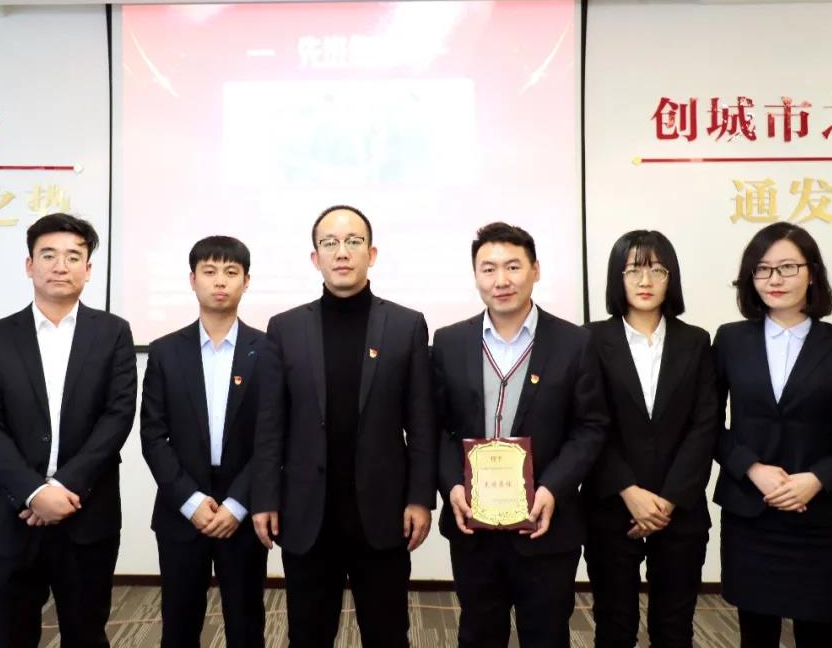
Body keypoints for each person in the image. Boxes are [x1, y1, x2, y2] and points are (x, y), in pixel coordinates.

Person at [251, 205, 435, 647]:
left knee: (387, 634)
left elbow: (422, 422)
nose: (342, 252)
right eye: (330, 243)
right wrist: (265, 498)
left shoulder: (406, 325)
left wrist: (419, 497)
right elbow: (271, 424)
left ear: (372, 253)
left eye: (353, 241)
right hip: (307, 513)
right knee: (308, 635)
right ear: (315, 258)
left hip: (383, 512)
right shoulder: (285, 327)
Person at [433, 221, 608, 648]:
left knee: (546, 636)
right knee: (478, 635)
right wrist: (452, 485)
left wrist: (553, 488)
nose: (501, 280)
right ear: (476, 276)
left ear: (535, 270)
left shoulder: (574, 343)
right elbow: (436, 427)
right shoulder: (449, 341)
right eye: (488, 269)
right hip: (473, 527)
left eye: (513, 266)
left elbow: (590, 427)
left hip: (545, 524)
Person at [0, 213, 137, 648]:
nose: (61, 266)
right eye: (48, 255)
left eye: (73, 256)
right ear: (30, 265)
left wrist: (63, 486)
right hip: (10, 516)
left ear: (88, 269)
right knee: (10, 635)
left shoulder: (113, 333)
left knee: (86, 633)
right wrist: (32, 491)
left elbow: (117, 416)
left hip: (87, 513)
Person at [714, 221, 832, 648]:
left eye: (788, 267)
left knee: (817, 635)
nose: (774, 279)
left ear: (812, 273)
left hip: (818, 518)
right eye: (762, 269)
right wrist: (751, 468)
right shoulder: (730, 340)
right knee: (756, 636)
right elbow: (706, 424)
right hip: (751, 515)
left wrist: (818, 478)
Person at [582, 230, 718, 648]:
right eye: (633, 270)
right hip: (610, 505)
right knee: (614, 626)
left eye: (657, 270)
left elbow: (705, 425)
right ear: (616, 277)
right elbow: (588, 423)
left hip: (680, 509)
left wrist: (669, 499)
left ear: (670, 278)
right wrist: (628, 490)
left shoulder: (696, 341)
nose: (645, 281)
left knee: (674, 628)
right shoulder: (589, 340)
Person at [140, 236, 273, 648]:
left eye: (231, 272)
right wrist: (190, 500)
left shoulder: (269, 350)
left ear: (246, 281)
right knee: (178, 625)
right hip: (181, 507)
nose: (220, 281)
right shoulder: (165, 351)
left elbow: (271, 437)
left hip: (244, 510)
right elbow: (153, 435)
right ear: (192, 279)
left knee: (246, 624)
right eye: (210, 271)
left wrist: (238, 504)